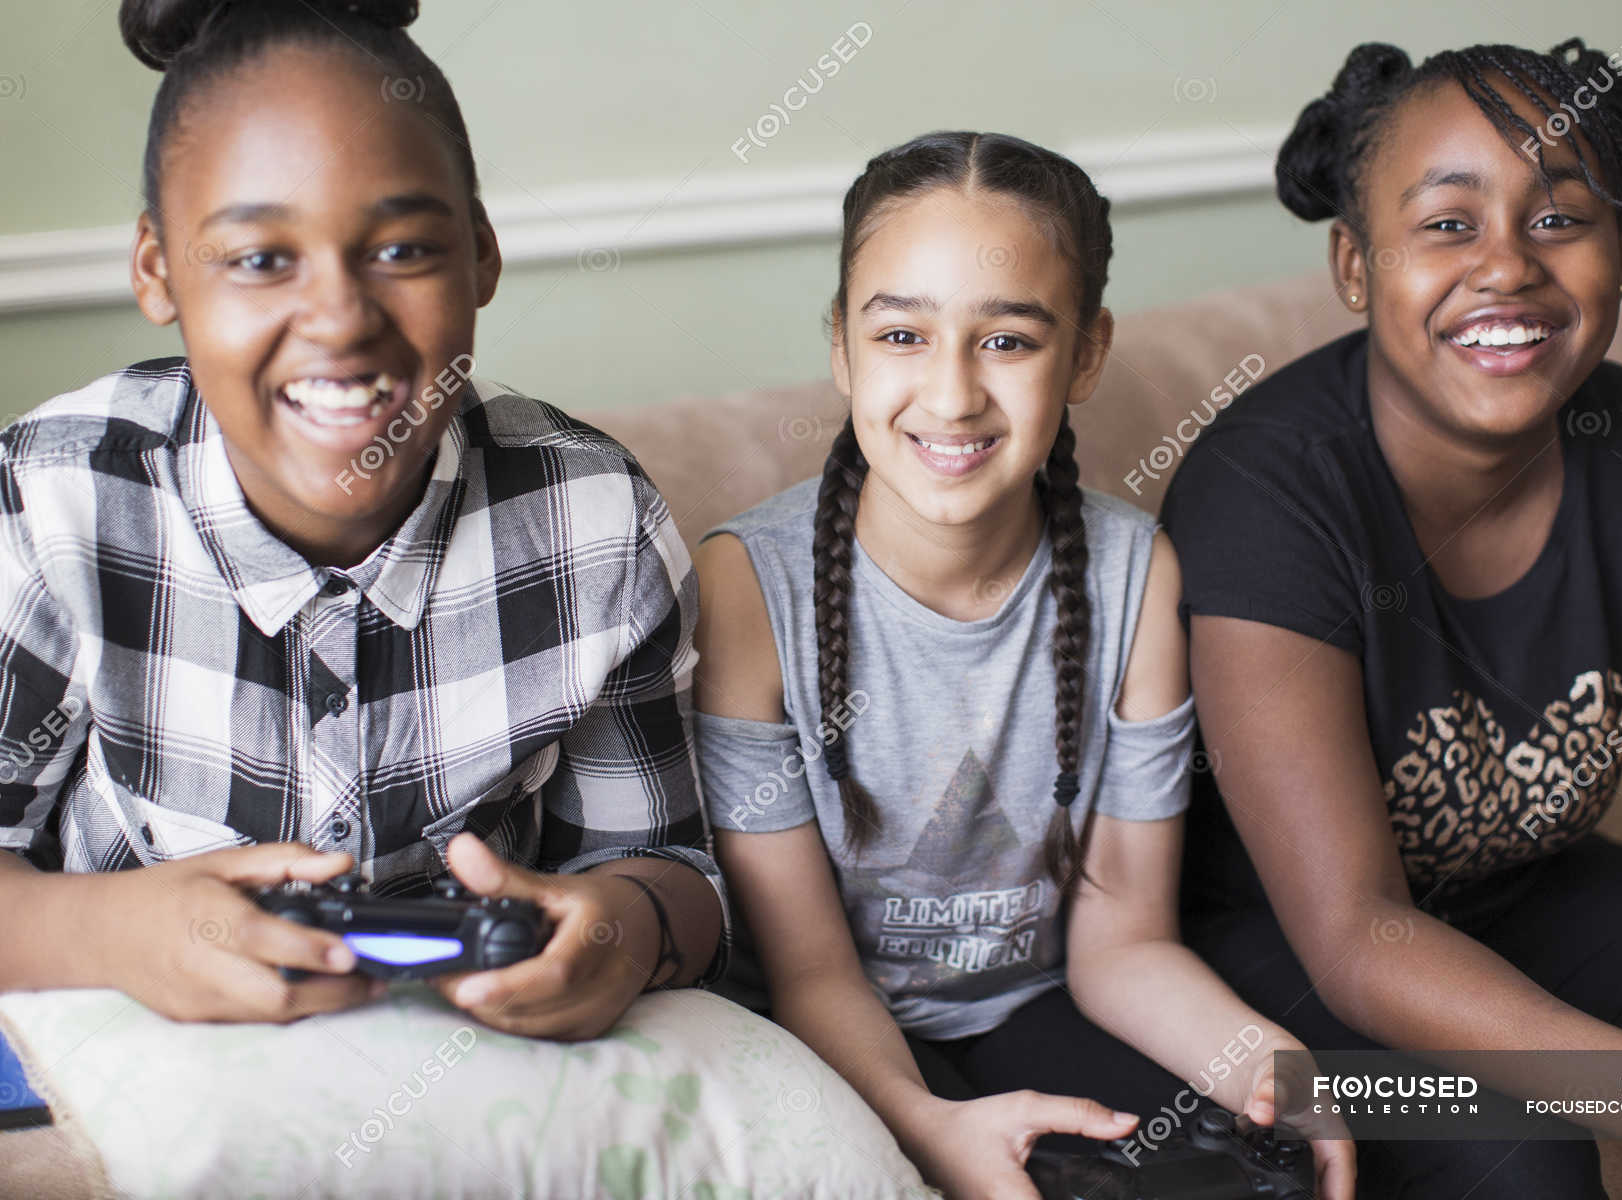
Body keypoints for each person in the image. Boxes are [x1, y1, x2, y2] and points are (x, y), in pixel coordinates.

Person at [0, 0, 725, 1042]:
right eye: (260, 260)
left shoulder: (593, 522)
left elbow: (673, 875)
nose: (341, 320)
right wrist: (116, 934)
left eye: (402, 250)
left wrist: (620, 929)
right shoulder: (52, 503)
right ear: (158, 270)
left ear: (480, 255)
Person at [1164, 38, 1622, 1196]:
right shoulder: (1268, 488)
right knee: (1515, 1156)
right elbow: (1356, 929)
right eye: (1449, 225)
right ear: (1356, 266)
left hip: (1529, 896)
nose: (1507, 267)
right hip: (1259, 961)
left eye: (1562, 218)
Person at [693, 130, 1352, 1200]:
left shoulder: (1139, 576)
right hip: (818, 1031)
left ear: (1087, 353)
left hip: (1040, 1002)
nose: (951, 397)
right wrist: (928, 1126)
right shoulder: (744, 590)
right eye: (902, 334)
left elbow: (1123, 945)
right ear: (842, 349)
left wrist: (1271, 1074)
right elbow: (811, 973)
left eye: (1007, 342)